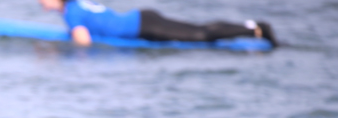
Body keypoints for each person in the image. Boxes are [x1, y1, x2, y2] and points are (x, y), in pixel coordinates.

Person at [38, 0, 277, 47]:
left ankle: (255, 29)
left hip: (146, 27)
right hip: (143, 19)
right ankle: (252, 30)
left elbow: (84, 43)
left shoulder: (71, 13)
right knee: (198, 30)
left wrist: (56, 51)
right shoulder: (78, 4)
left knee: (201, 34)